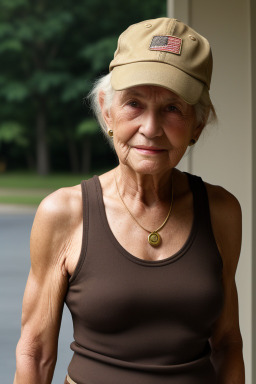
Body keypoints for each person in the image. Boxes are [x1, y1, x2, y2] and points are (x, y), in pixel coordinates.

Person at [14, 17, 245, 384]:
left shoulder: (222, 212)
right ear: (107, 110)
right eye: (134, 103)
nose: (150, 129)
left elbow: (229, 344)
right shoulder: (63, 213)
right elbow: (35, 353)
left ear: (197, 124)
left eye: (172, 108)